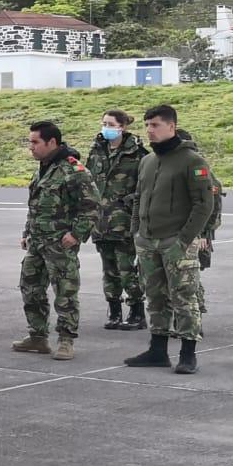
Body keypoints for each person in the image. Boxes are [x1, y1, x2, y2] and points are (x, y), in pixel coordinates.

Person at [124, 105, 216, 375]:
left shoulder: (191, 160)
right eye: (147, 125)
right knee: (154, 296)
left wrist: (184, 240)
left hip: (175, 241)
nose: (149, 131)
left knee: (184, 298)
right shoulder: (147, 162)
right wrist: (136, 232)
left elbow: (204, 204)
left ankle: (188, 354)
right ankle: (158, 350)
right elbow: (138, 198)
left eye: (155, 125)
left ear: (171, 127)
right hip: (148, 241)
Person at [14, 121, 99, 361]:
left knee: (65, 291)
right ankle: (38, 336)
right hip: (37, 242)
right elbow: (36, 206)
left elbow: (92, 206)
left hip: (60, 244)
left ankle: (66, 339)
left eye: (35, 142)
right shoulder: (43, 168)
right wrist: (27, 232)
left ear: (52, 143)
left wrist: (76, 234)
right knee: (30, 288)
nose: (31, 147)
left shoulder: (73, 170)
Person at [87, 110, 149, 331]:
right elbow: (88, 182)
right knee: (109, 269)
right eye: (103, 123)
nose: (105, 127)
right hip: (101, 222)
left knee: (127, 269)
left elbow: (146, 187)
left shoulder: (138, 155)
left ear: (122, 127)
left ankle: (136, 311)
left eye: (110, 124)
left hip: (124, 222)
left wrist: (129, 203)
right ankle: (114, 310)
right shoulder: (97, 151)